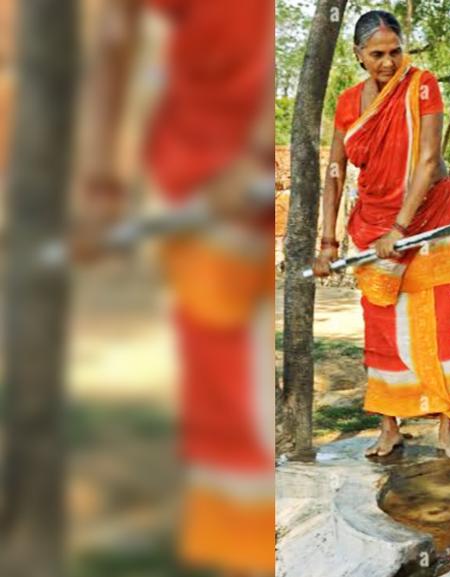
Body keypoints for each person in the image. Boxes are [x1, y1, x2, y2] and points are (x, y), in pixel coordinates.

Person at [78, 0, 275, 575]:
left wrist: (249, 159)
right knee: (216, 369)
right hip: (194, 188)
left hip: (237, 188)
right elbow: (117, 40)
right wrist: (99, 183)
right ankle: (223, 541)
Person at [313, 10, 450, 461]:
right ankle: (389, 427)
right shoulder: (347, 103)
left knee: (439, 320)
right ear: (358, 55)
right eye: (377, 54)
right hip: (371, 223)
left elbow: (428, 161)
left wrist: (400, 228)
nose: (388, 62)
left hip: (427, 219)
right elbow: (334, 172)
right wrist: (328, 242)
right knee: (381, 324)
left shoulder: (422, 85)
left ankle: (448, 428)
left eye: (395, 51)